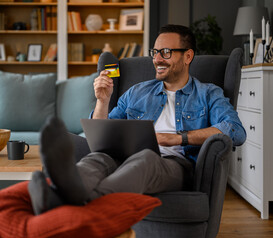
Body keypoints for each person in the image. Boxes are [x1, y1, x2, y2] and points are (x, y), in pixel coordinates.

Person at [28, 24, 246, 215]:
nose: (157, 59)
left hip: (174, 165)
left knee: (146, 160)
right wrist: (103, 102)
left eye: (166, 52)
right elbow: (102, 134)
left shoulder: (208, 94)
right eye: (155, 52)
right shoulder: (137, 92)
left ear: (187, 56)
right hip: (124, 158)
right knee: (97, 160)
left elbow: (235, 130)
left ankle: (90, 205)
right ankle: (58, 195)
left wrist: (178, 138)